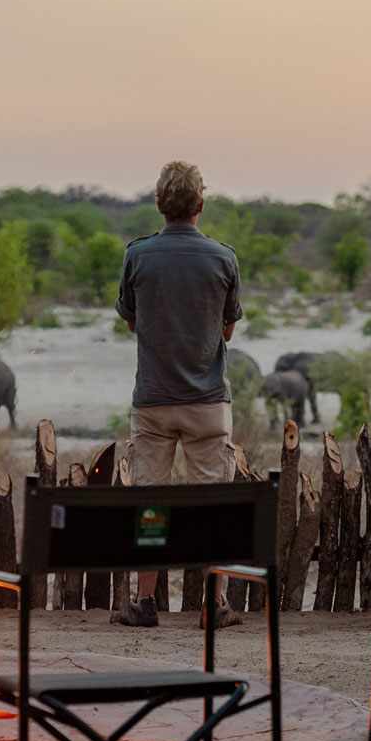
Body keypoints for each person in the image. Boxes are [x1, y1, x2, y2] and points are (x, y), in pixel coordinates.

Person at [112, 161, 244, 628]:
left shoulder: (138, 256)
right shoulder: (223, 258)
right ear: (200, 205)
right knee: (212, 506)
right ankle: (214, 605)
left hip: (152, 400)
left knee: (151, 503)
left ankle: (145, 603)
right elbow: (227, 327)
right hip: (209, 401)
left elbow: (131, 320)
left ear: (158, 204)